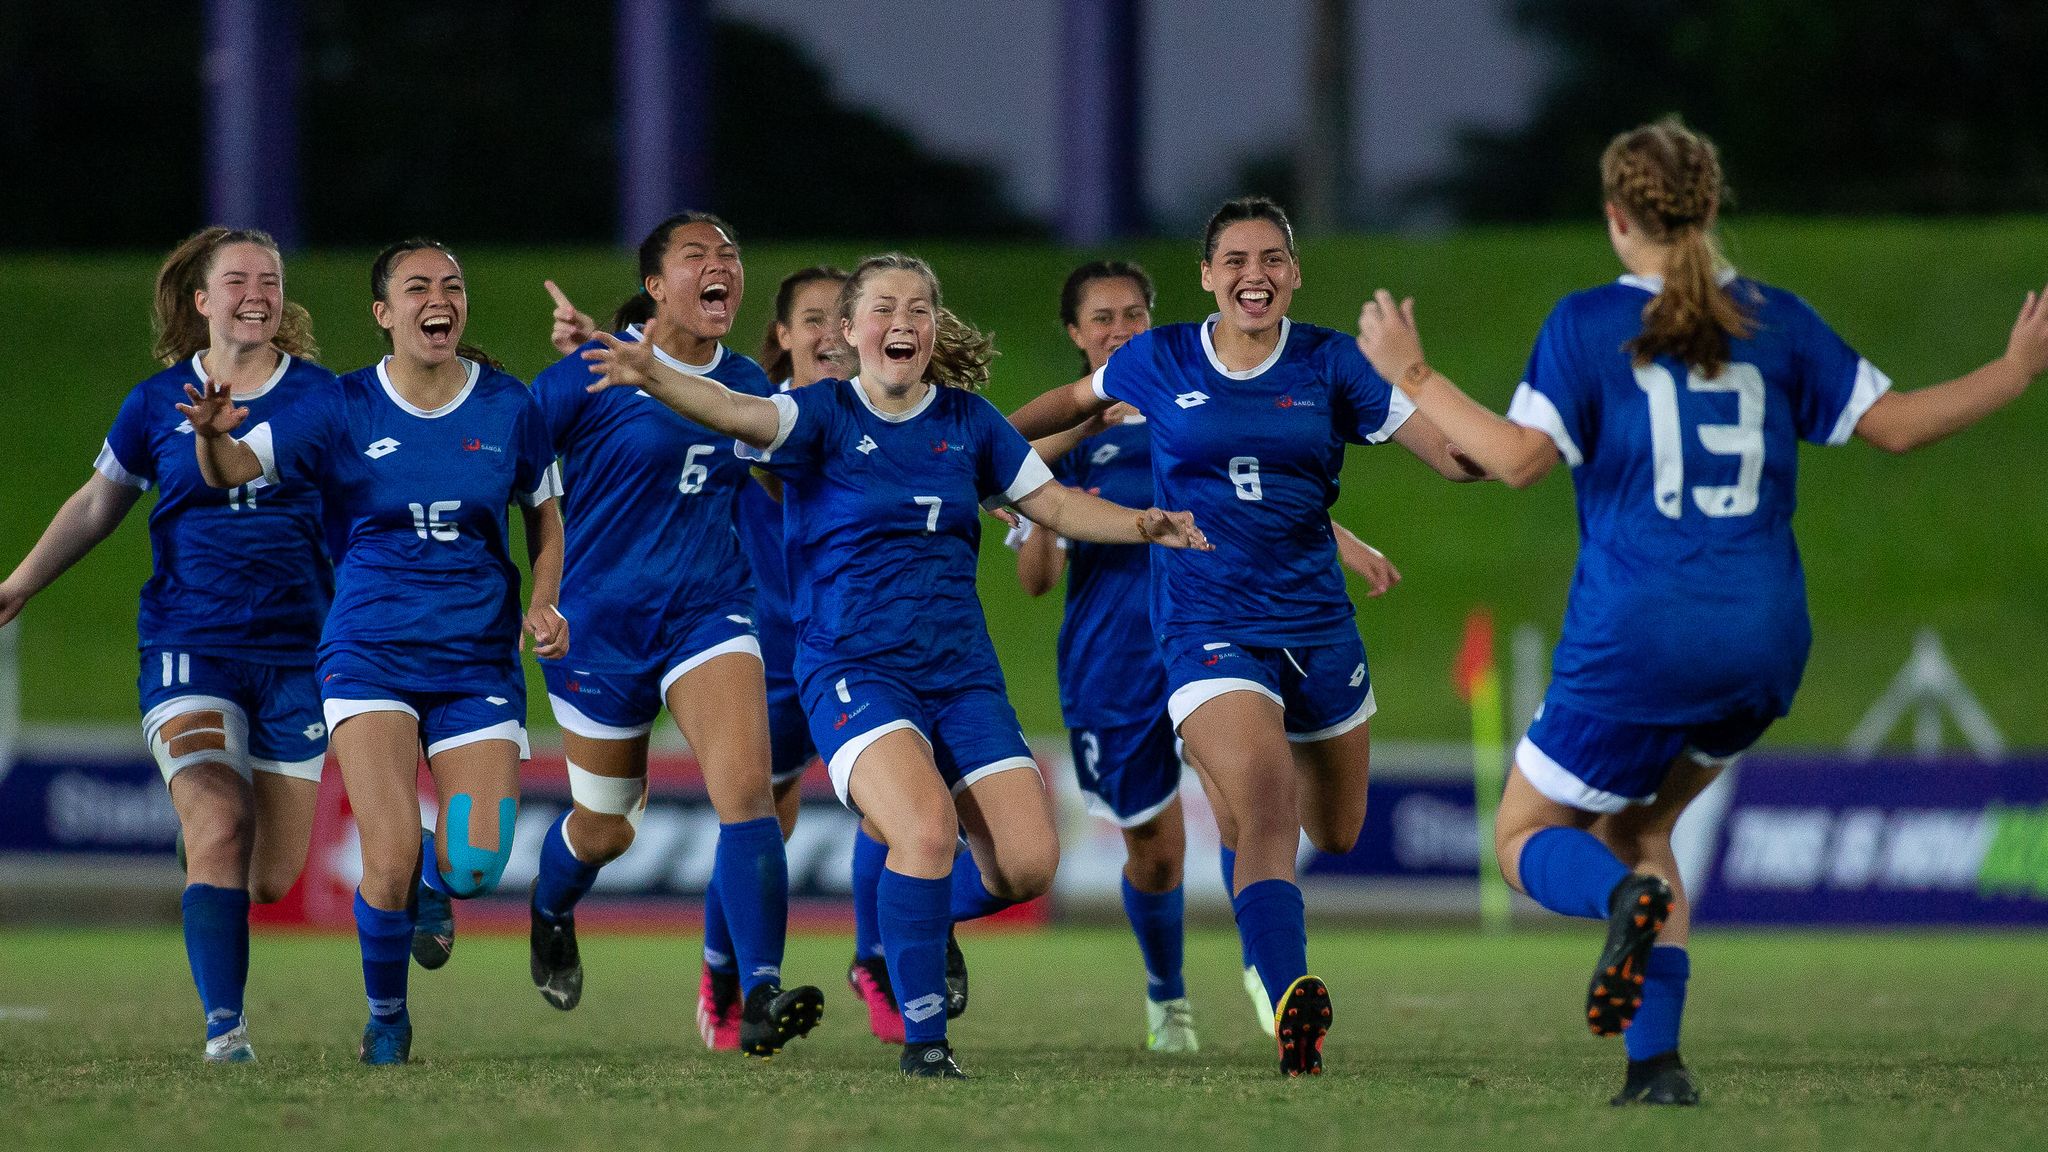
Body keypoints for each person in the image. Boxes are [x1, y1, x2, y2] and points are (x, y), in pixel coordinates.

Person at [1353, 117, 2048, 1106]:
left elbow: (1512, 460)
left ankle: (1618, 908)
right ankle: (1656, 1070)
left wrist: (1409, 374)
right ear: (1711, 206)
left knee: (1522, 833)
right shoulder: (1772, 318)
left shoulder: (1589, 324)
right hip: (1762, 641)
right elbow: (1892, 430)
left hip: (1642, 632)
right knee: (1641, 825)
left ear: (1614, 217)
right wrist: (2014, 372)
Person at [582, 252, 1210, 1078]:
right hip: (853, 669)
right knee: (923, 831)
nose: (902, 321)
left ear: (934, 327)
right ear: (848, 331)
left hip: (962, 674)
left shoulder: (971, 422)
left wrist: (1143, 524)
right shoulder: (821, 416)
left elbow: (1049, 502)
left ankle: (903, 923)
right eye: (882, 308)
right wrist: (654, 375)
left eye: (918, 307)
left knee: (1026, 864)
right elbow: (733, 410)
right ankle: (924, 1040)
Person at [1009, 198, 1484, 1076]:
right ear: (1205, 275)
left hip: (1317, 624)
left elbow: (1454, 459)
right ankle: (1288, 995)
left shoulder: (1333, 362)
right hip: (1205, 627)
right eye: (1234, 259)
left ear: (1295, 272)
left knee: (1335, 830)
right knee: (1263, 808)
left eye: (1271, 258)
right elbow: (1064, 404)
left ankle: (1270, 966)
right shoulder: (1157, 359)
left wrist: (1508, 436)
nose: (1253, 275)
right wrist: (972, 443)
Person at [181, 238, 569, 1066]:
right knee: (385, 858)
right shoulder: (340, 406)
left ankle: (439, 885)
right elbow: (234, 469)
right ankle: (387, 1022)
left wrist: (543, 601)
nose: (442, 299)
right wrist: (214, 437)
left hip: (475, 664)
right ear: (384, 313)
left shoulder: (509, 405)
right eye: (419, 287)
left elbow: (544, 513)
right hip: (370, 655)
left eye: (454, 285)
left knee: (472, 869)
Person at [0, 228, 332, 1065]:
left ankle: (205, 848)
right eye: (237, 279)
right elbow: (94, 505)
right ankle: (227, 1030)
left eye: (270, 278)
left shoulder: (329, 398)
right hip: (191, 646)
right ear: (201, 299)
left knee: (268, 877)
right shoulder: (154, 404)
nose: (256, 291)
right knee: (221, 816)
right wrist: (19, 583)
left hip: (301, 654)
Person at [525, 215, 824, 1060]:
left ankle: (758, 992)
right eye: (696, 256)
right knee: (606, 826)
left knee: (746, 798)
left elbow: (808, 448)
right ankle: (550, 911)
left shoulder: (739, 383)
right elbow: (505, 464)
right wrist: (534, 595)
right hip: (600, 631)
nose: (720, 265)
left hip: (708, 614)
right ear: (656, 287)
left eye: (730, 253)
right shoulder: (590, 371)